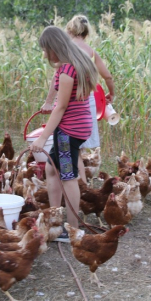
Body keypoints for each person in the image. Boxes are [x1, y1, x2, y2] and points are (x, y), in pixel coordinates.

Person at [31, 26, 98, 242]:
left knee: (67, 177)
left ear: (54, 47)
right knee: (52, 169)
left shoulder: (68, 70)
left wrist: (42, 138)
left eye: (46, 50)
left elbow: (61, 109)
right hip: (76, 126)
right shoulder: (74, 62)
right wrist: (49, 101)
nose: (45, 55)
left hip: (68, 131)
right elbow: (62, 101)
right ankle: (56, 219)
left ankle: (71, 230)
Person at [41, 15, 115, 181]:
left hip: (68, 121)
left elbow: (59, 96)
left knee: (67, 170)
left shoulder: (66, 56)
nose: (45, 55)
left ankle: (77, 187)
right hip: (85, 107)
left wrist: (49, 102)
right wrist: (111, 94)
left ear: (68, 31)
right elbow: (108, 77)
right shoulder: (90, 52)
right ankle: (80, 184)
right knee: (68, 158)